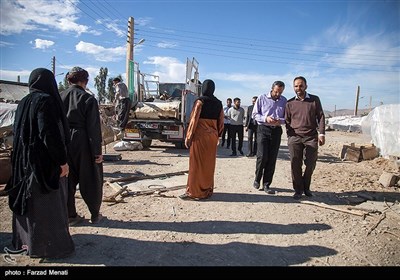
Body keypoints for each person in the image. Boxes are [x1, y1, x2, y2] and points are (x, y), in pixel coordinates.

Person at [4, 68, 75, 258]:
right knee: (49, 206)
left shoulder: (24, 102)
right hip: (43, 166)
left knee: (28, 205)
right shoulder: (46, 101)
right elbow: (49, 135)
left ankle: (25, 243)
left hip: (23, 164)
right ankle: (52, 247)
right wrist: (62, 162)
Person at [61, 67, 104, 224]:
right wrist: (97, 152)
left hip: (63, 141)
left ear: (68, 81)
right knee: (91, 178)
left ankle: (70, 215)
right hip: (83, 141)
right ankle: (95, 214)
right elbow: (93, 128)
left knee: (68, 179)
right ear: (84, 81)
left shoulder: (59, 97)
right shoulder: (88, 99)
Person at [179, 79, 224, 200]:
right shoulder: (219, 103)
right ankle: (207, 190)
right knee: (209, 165)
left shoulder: (200, 101)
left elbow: (194, 120)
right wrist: (217, 135)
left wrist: (188, 137)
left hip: (200, 137)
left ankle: (194, 192)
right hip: (212, 138)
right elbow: (221, 123)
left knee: (196, 165)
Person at [285, 76, 325, 199]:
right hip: (295, 137)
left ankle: (306, 187)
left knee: (310, 162)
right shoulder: (289, 103)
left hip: (311, 137)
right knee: (295, 163)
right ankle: (298, 189)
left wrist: (322, 133)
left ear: (306, 86)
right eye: (296, 86)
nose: (298, 88)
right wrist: (290, 136)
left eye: (301, 85)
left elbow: (321, 117)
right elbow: (287, 121)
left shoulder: (314, 100)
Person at [252, 81, 287, 194]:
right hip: (263, 129)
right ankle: (257, 179)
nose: (278, 94)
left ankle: (267, 184)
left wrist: (279, 121)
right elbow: (255, 114)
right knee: (262, 156)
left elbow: (286, 118)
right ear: (272, 89)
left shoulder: (284, 101)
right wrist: (266, 118)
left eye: (280, 92)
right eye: (276, 91)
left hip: (276, 131)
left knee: (272, 158)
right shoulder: (262, 98)